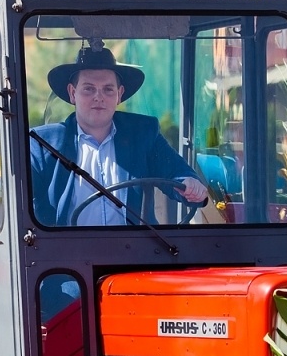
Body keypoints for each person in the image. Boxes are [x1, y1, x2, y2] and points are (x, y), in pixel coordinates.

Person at [29, 45, 206, 226]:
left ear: (119, 94)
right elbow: (20, 196)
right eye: (89, 89)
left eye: (108, 89)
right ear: (72, 93)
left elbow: (176, 173)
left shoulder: (143, 133)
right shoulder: (43, 145)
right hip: (68, 251)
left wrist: (190, 184)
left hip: (132, 250)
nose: (99, 97)